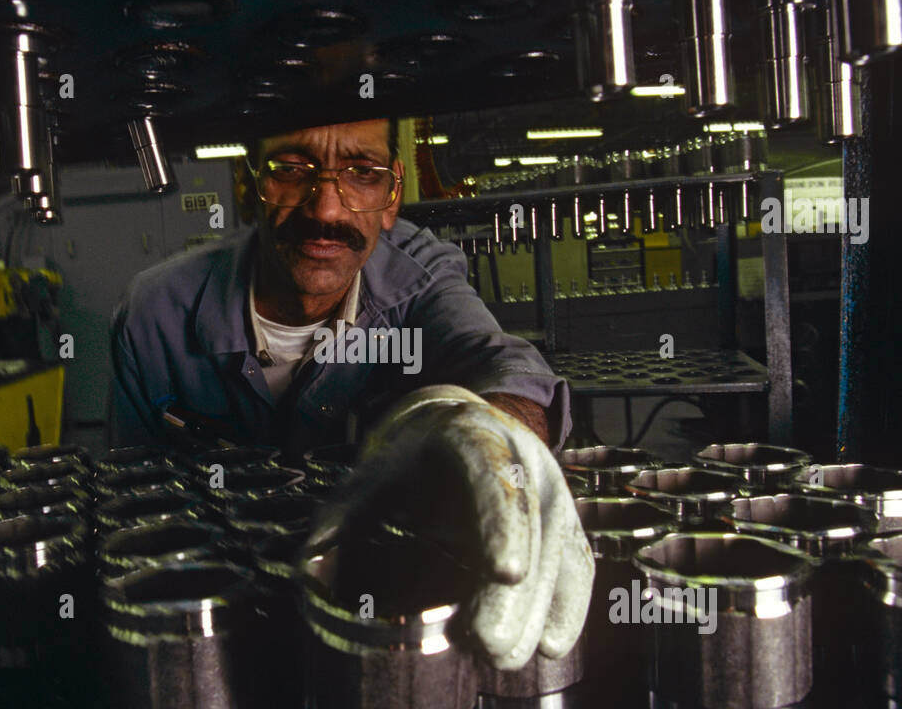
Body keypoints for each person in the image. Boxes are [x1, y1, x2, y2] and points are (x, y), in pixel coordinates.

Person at [110, 117, 591, 670]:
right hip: (218, 637)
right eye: (291, 170)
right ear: (247, 189)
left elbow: (502, 364)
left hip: (383, 626)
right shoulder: (155, 314)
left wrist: (500, 429)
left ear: (392, 198)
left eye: (362, 174)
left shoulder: (418, 280)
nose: (326, 211)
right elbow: (134, 510)